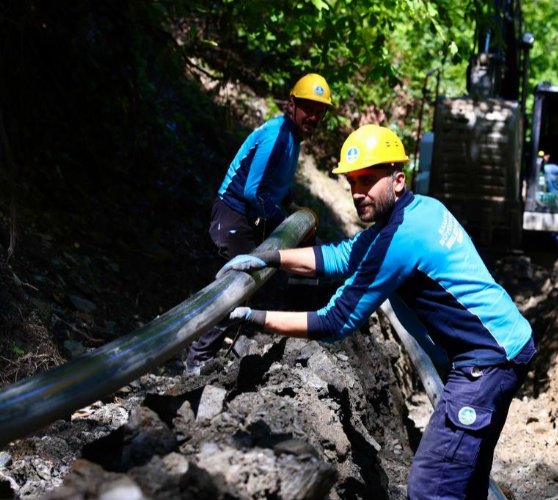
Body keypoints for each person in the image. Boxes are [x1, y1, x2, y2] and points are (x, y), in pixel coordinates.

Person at [217, 124, 535, 498]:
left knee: (430, 487)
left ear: (398, 180)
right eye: (352, 181)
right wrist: (266, 257)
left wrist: (255, 319)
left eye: (368, 180)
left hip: (486, 363)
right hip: (505, 346)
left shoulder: (401, 238)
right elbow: (341, 257)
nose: (357, 191)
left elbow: (334, 321)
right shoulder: (422, 210)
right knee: (465, 482)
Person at [184, 73, 332, 374]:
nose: (313, 116)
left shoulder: (291, 138)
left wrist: (291, 208)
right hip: (233, 213)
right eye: (308, 108)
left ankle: (267, 334)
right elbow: (254, 190)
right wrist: (283, 223)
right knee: (238, 285)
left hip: (247, 215)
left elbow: (275, 185)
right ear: (291, 104)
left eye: (320, 111)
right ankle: (196, 358)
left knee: (252, 283)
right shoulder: (278, 135)